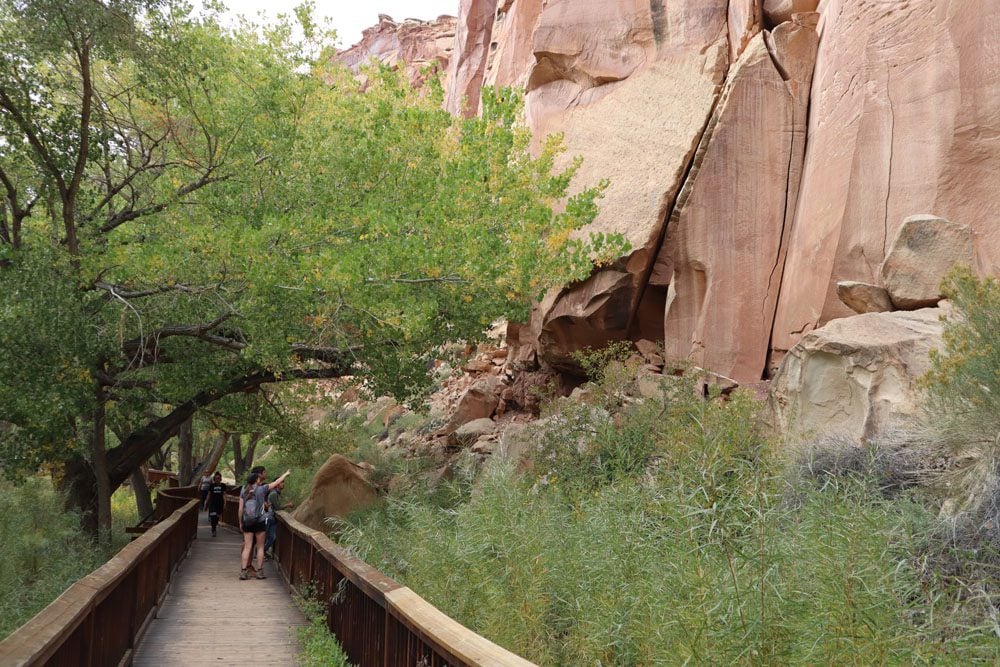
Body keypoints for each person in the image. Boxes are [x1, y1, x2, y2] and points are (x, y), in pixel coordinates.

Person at [239, 468, 291, 580]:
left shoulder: (244, 490)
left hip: (247, 521)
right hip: (260, 521)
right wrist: (286, 474)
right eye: (258, 478)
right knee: (261, 547)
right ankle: (259, 572)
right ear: (257, 479)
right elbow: (276, 483)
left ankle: (243, 571)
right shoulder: (261, 489)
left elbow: (240, 508)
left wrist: (240, 522)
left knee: (247, 547)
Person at [263, 480, 284, 560]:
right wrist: (287, 505)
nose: (283, 484)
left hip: (273, 519)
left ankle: (263, 551)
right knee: (264, 537)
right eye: (281, 482)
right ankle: (258, 553)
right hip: (268, 518)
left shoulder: (277, 493)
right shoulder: (274, 494)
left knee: (272, 537)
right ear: (277, 484)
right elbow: (277, 507)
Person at [206, 472, 226, 537]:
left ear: (220, 479)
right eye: (216, 478)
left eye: (219, 478)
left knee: (217, 517)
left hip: (220, 504)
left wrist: (225, 503)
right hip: (212, 504)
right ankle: (213, 530)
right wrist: (206, 502)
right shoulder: (211, 485)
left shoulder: (223, 486)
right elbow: (209, 494)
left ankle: (215, 525)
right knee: (213, 517)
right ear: (214, 479)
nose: (217, 479)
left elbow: (224, 495)